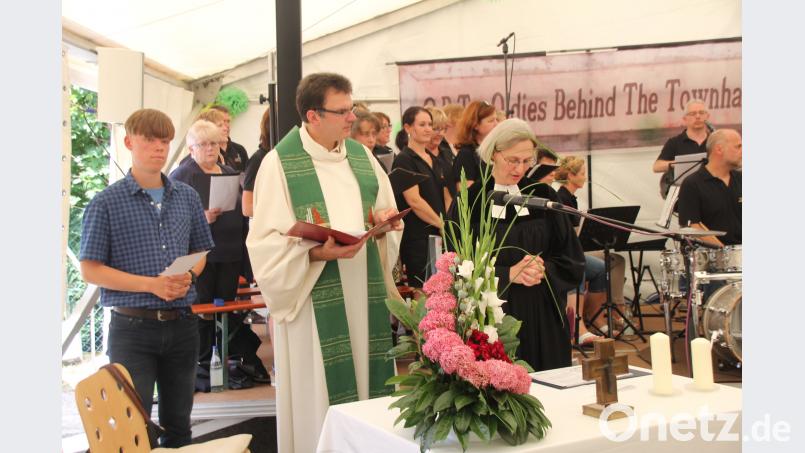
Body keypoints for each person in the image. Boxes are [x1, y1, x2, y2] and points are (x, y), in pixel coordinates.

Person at [246, 72, 402, 453]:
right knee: (319, 397)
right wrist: (315, 253)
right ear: (313, 116)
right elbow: (264, 244)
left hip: (364, 296)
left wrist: (384, 222)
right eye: (343, 111)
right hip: (312, 304)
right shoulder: (279, 164)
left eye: (352, 108)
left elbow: (383, 209)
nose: (353, 118)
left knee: (368, 387)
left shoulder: (362, 157)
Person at [79, 109, 213, 447]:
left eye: (165, 141)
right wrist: (151, 284)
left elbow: (201, 251)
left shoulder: (187, 197)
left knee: (179, 423)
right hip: (132, 328)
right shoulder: (105, 203)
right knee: (132, 426)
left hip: (182, 323)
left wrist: (187, 275)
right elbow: (90, 269)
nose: (159, 147)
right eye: (149, 140)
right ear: (129, 142)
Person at [449, 118, 584, 371]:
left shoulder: (543, 195)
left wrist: (542, 269)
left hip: (544, 312)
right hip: (494, 317)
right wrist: (507, 274)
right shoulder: (470, 202)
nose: (520, 168)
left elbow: (571, 256)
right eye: (513, 160)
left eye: (526, 161)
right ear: (493, 154)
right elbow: (457, 266)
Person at [169, 120, 269, 385]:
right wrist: (201, 218)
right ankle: (204, 364)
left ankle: (226, 358)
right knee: (203, 309)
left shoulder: (228, 171)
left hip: (230, 250)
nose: (210, 148)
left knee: (226, 307)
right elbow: (170, 219)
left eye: (214, 143)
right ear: (191, 148)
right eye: (203, 144)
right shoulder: (182, 176)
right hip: (201, 256)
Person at [555, 156, 629, 338]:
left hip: (574, 250)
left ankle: (596, 318)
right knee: (578, 265)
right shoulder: (561, 198)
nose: (585, 177)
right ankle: (577, 324)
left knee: (602, 268)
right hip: (563, 254)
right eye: (582, 173)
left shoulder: (571, 198)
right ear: (570, 176)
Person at [391, 106, 445, 286]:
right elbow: (414, 200)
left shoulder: (433, 158)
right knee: (423, 290)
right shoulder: (404, 159)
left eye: (430, 124)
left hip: (438, 233)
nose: (428, 129)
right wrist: (441, 224)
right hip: (418, 237)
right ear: (407, 127)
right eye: (422, 124)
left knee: (442, 289)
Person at [678, 129, 742, 247]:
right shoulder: (692, 184)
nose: (742, 151)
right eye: (738, 146)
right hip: (714, 254)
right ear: (719, 149)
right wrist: (725, 252)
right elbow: (692, 226)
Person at [653, 99, 711, 198]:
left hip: (710, 190)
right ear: (685, 118)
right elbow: (656, 167)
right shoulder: (674, 142)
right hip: (684, 193)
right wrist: (679, 164)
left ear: (707, 116)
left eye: (701, 113)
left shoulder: (715, 141)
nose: (698, 116)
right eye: (693, 114)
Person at [451, 100, 499, 190]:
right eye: (491, 121)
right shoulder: (466, 154)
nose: (496, 124)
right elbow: (466, 192)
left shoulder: (495, 150)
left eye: (497, 119)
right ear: (475, 125)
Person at [426, 106, 456, 208]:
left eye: (444, 129)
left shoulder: (447, 153)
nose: (441, 133)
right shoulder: (418, 157)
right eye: (436, 129)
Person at [210, 104, 250, 172]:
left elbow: (247, 175)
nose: (226, 126)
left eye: (228, 121)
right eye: (221, 123)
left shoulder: (240, 150)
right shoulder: (208, 152)